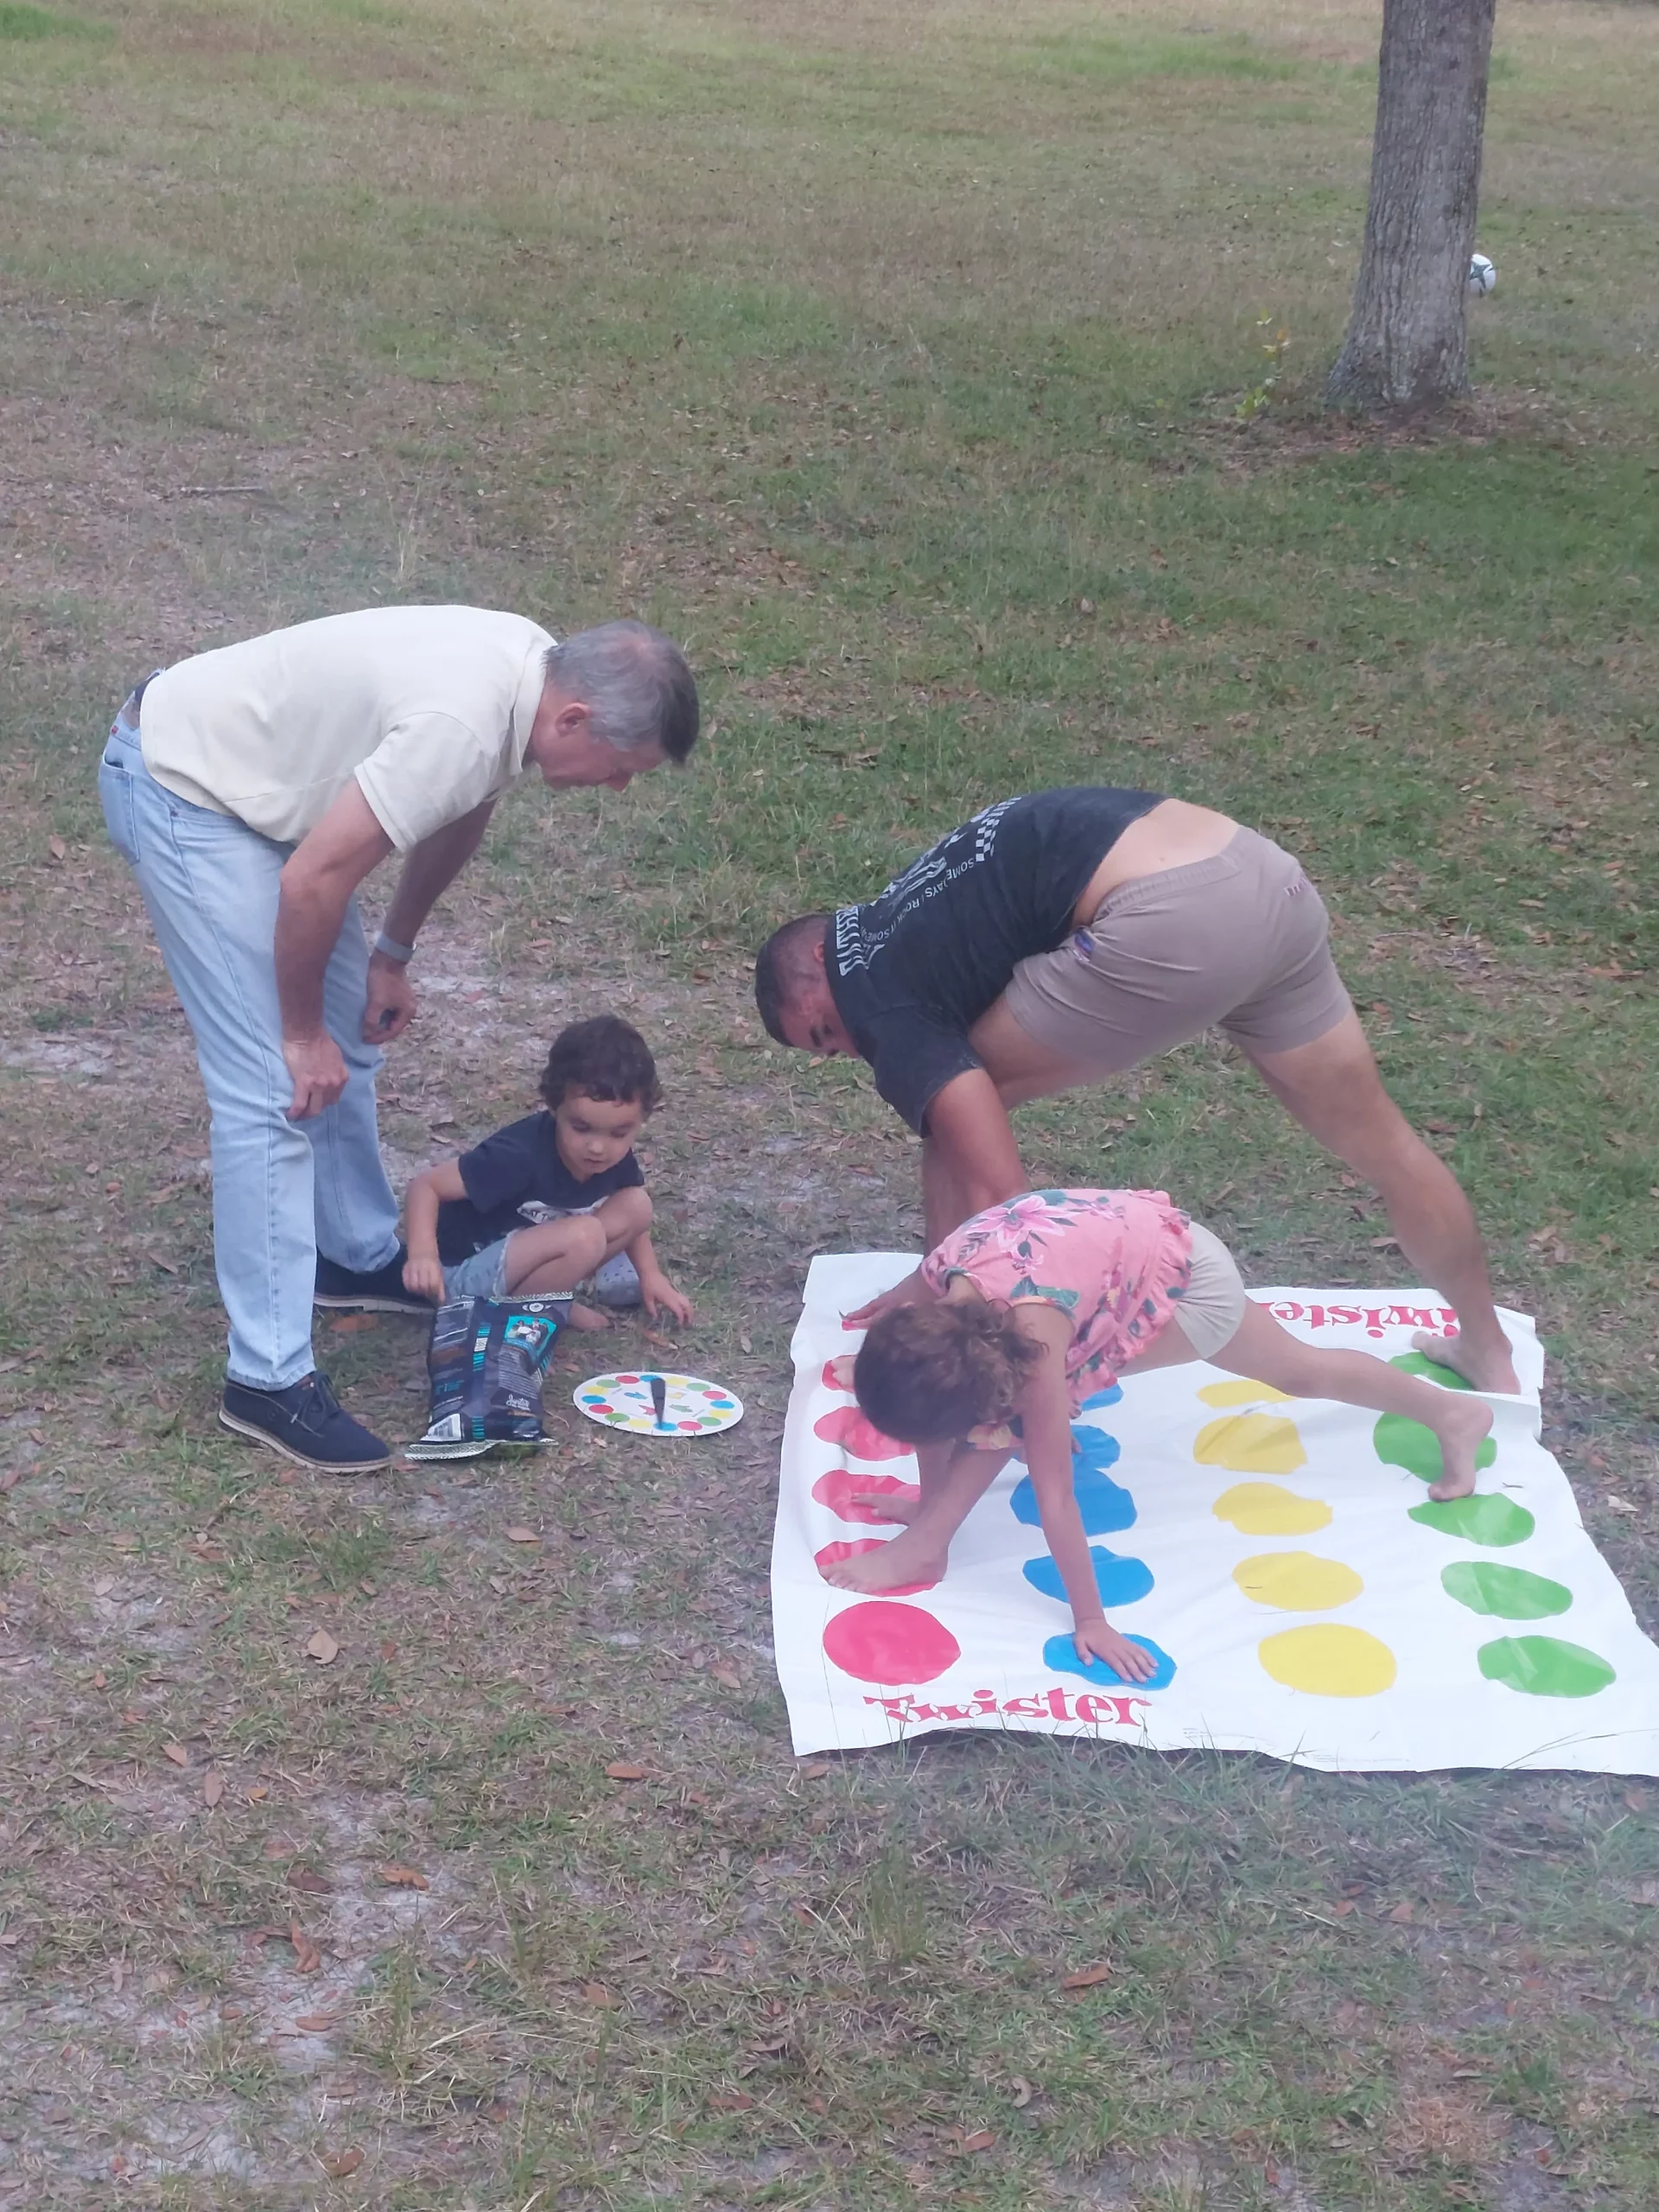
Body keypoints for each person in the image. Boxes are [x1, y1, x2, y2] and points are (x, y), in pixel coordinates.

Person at [99, 607, 699, 1473]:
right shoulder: (462, 720)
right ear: (573, 720)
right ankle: (265, 1377)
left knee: (349, 1034)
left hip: (258, 797)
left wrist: (394, 951)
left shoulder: (528, 679)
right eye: (620, 768)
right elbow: (316, 876)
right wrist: (299, 1035)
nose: (618, 788)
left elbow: (459, 808)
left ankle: (352, 1254)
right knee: (276, 1088)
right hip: (183, 789)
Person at [753, 787, 1518, 1393]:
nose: (844, 1050)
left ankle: (953, 1354)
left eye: (823, 1032)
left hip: (1174, 917)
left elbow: (997, 1186)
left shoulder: (876, 995)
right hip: (1264, 878)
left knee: (955, 1113)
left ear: (821, 960)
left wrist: (973, 1306)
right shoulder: (899, 914)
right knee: (1386, 1144)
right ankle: (1488, 1352)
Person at [836, 1188, 1496, 1682]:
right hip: (1107, 1253)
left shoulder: (1031, 1345)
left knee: (1299, 1371)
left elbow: (1056, 1497)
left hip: (1184, 1281)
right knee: (993, 1414)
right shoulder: (942, 1306)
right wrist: (930, 1498)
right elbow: (945, 1404)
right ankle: (932, 1533)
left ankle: (1453, 1414)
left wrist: (1091, 1621)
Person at [401, 1014, 693, 1327]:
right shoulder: (518, 1156)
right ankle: (514, 1326)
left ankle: (548, 1301)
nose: (598, 1147)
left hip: (522, 1264)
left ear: (643, 1117)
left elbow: (633, 1215)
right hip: (463, 1279)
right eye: (582, 1128)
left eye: (619, 1133)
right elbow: (426, 1187)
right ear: (555, 1107)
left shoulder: (613, 1157)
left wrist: (650, 1275)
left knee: (636, 1205)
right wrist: (422, 1256)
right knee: (585, 1234)